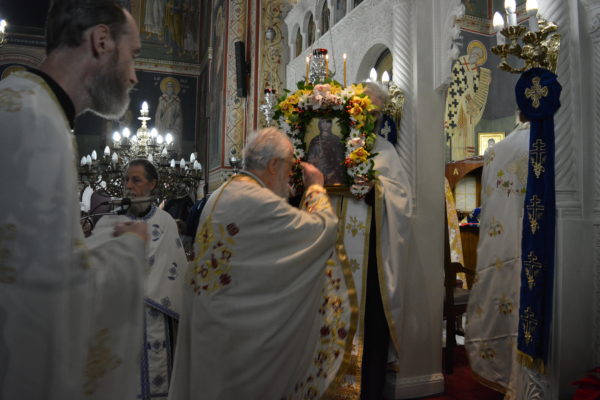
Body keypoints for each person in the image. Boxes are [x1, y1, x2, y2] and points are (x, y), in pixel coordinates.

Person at [0, 1, 148, 399]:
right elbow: (46, 304)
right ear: (101, 40)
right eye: (133, 54)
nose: (134, 76)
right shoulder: (38, 125)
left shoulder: (24, 101)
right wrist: (128, 250)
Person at [169, 128, 355, 399]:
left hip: (213, 327)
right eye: (289, 168)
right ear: (273, 165)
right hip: (238, 343)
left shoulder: (223, 193)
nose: (290, 178)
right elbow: (322, 231)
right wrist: (316, 187)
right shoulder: (258, 201)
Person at [89, 159, 187, 400]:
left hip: (157, 318)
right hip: (120, 315)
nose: (129, 186)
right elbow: (96, 269)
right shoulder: (110, 222)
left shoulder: (166, 222)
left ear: (152, 184)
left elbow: (176, 272)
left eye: (136, 180)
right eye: (126, 180)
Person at [465, 110, 531, 394]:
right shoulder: (558, 143)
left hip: (505, 245)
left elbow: (490, 208)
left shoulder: (497, 151)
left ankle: (503, 372)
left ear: (519, 113)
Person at [306, 118, 346, 185]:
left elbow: (341, 161)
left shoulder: (336, 140)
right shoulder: (315, 141)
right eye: (323, 122)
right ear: (319, 124)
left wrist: (331, 174)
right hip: (318, 175)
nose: (325, 125)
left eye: (328, 122)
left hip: (334, 176)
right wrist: (318, 157)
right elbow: (309, 161)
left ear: (331, 124)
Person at [155, 78, 183, 152]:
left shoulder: (176, 100)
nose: (170, 89)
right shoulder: (162, 99)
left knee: (174, 138)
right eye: (168, 87)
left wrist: (176, 125)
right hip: (163, 123)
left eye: (171, 87)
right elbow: (159, 112)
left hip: (173, 123)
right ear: (166, 89)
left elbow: (179, 114)